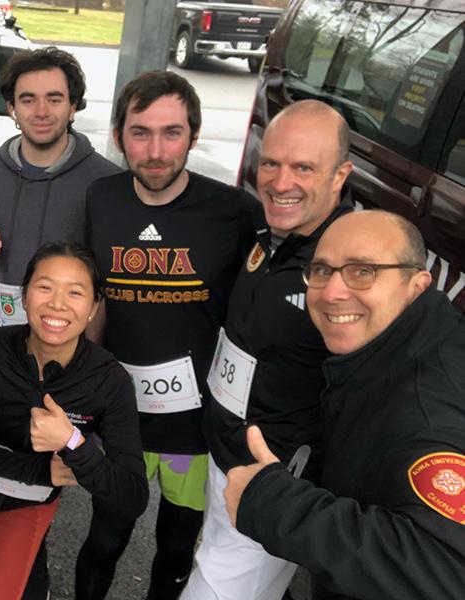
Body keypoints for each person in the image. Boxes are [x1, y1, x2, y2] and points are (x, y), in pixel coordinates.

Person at [79, 70, 261, 600]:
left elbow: (255, 314)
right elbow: (94, 298)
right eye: (140, 132)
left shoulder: (234, 213)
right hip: (121, 424)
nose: (155, 151)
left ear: (194, 136)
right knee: (105, 538)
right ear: (118, 135)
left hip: (194, 431)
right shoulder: (100, 199)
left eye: (172, 132)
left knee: (177, 545)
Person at [225, 209, 465, 599]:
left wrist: (274, 506)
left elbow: (448, 569)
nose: (333, 292)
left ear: (417, 285)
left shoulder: (428, 412)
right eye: (321, 270)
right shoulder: (394, 346)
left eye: (362, 271)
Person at [180, 99, 354, 600]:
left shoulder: (349, 268)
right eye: (272, 162)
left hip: (274, 476)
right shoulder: (266, 233)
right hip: (225, 450)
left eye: (304, 167)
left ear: (340, 173)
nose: (280, 182)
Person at [0, 242, 148, 600]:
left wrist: (73, 443)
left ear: (93, 308)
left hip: (28, 505)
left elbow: (132, 496)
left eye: (75, 292)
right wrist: (41, 471)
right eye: (45, 287)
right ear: (23, 296)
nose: (57, 303)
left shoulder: (107, 379)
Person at [0, 46, 120, 330]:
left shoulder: (106, 184)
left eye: (54, 99)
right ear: (11, 109)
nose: (41, 112)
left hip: (70, 357)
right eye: (28, 100)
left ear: (73, 107)